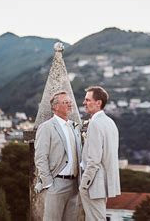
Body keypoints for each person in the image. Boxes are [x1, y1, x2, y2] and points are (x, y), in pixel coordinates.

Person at [34, 91, 82, 221]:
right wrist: (49, 183)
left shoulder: (74, 127)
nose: (69, 104)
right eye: (65, 102)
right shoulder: (46, 127)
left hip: (74, 185)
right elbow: (40, 158)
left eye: (69, 102)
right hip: (56, 183)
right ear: (55, 107)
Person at [80, 86, 121, 220]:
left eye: (87, 100)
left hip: (94, 184)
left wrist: (84, 184)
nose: (84, 103)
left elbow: (94, 159)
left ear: (98, 103)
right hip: (105, 182)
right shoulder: (110, 122)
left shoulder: (95, 124)